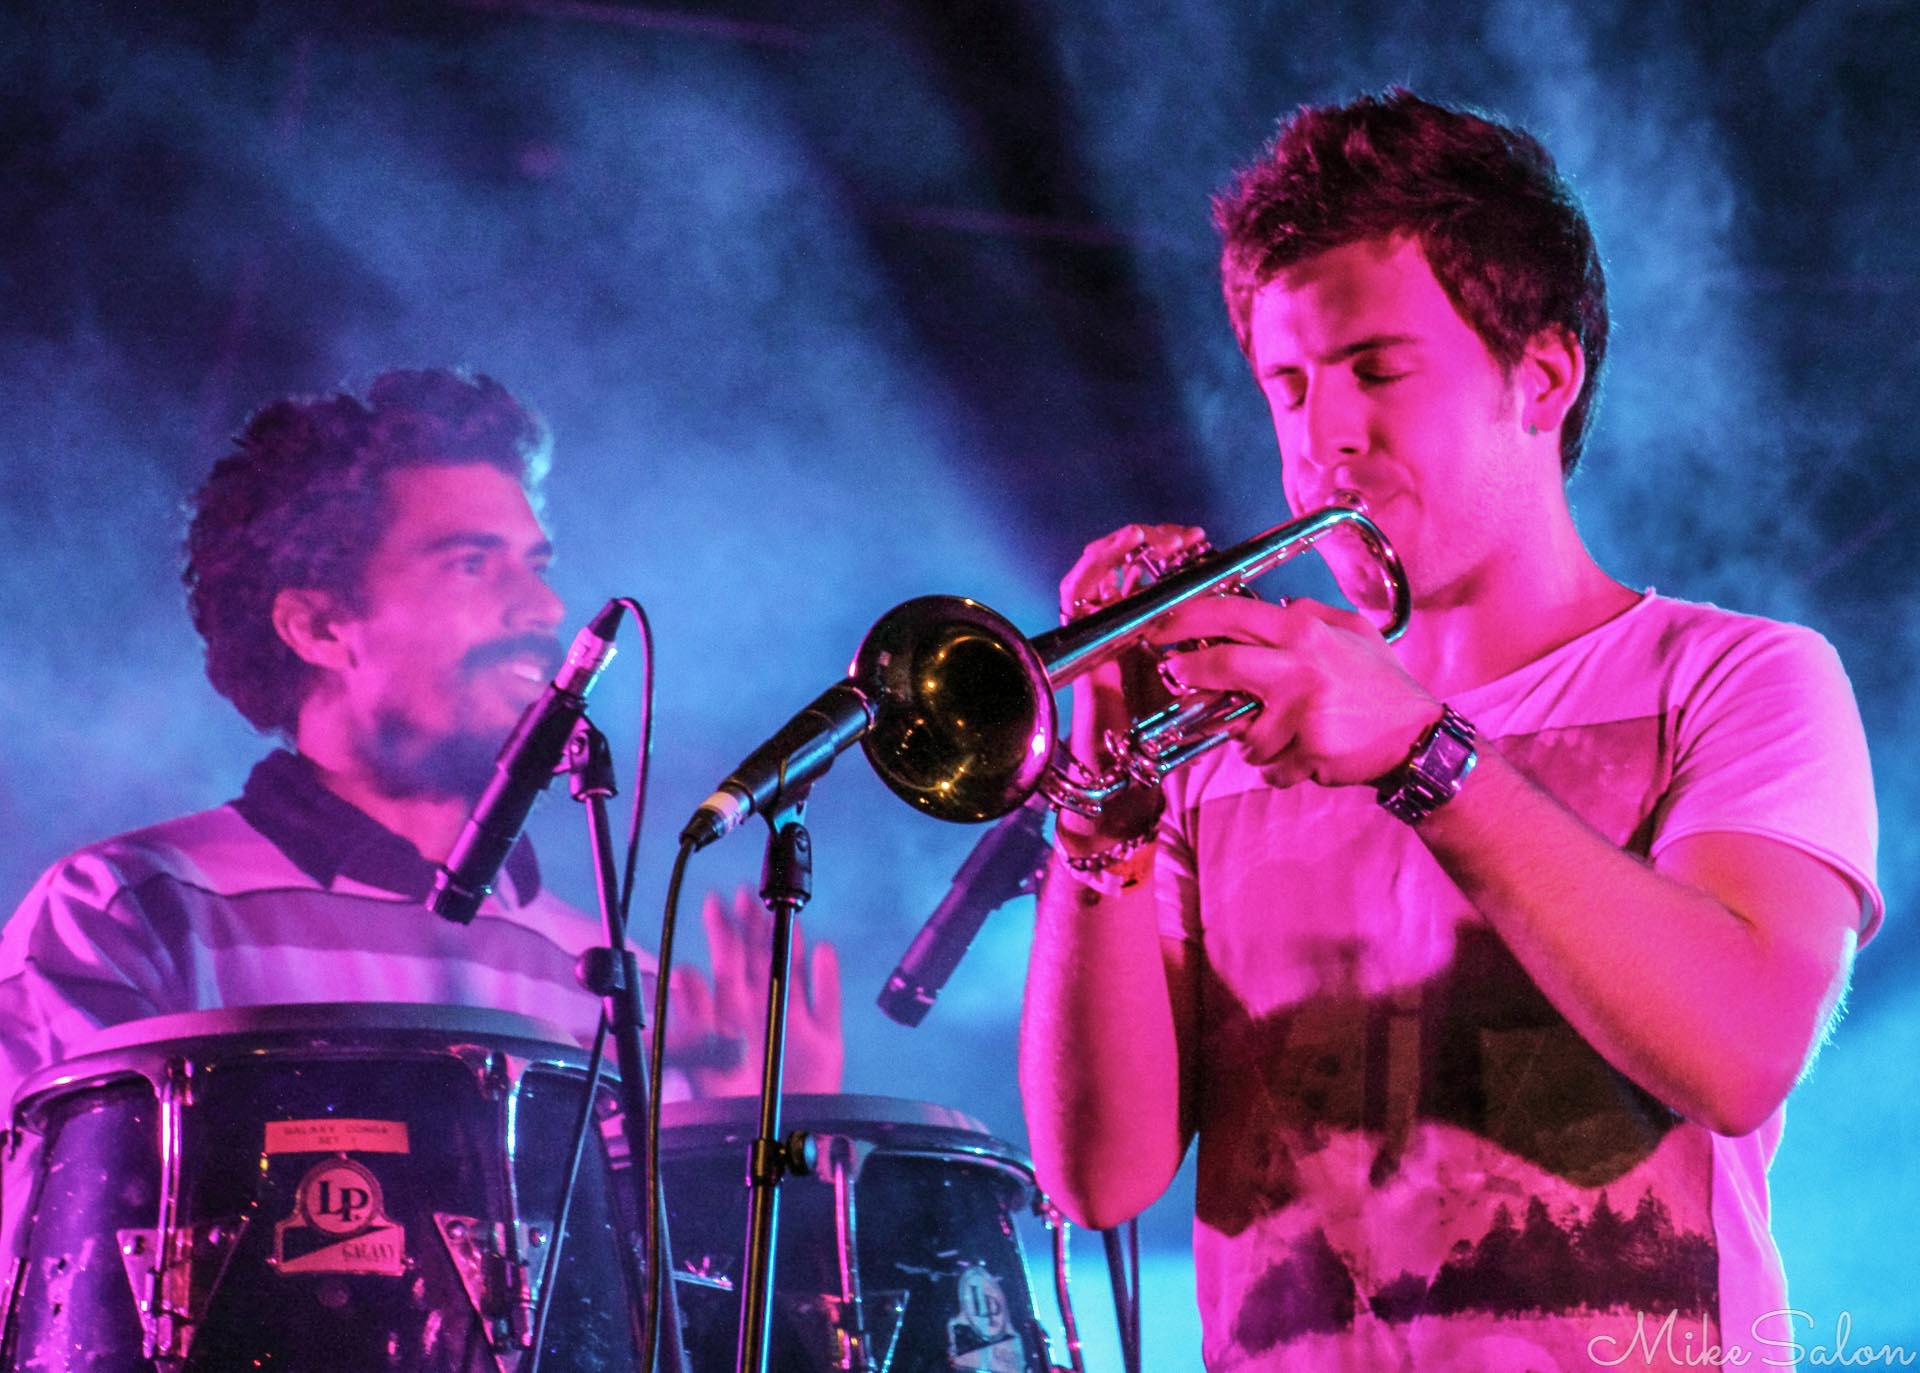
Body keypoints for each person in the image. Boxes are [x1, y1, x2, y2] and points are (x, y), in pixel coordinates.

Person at [1018, 90, 1879, 1371]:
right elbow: (1102, 1177)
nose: (1325, 436)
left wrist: (1425, 750)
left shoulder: (1739, 675)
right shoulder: (1234, 736)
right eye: (1288, 384)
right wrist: (1102, 814)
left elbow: (1741, 1049)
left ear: (1541, 375)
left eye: (1377, 368)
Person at [0, 369, 843, 1233]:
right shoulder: (127, 912)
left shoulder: (621, 980)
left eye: (537, 566)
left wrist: (754, 1141)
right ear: (322, 627)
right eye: (473, 564)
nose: (545, 607)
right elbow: (59, 1282)